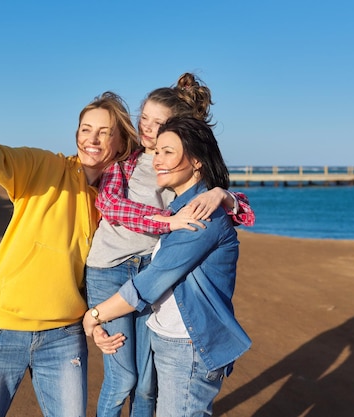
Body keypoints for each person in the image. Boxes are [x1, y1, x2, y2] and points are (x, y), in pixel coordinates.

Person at [0, 92, 139, 417]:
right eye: (86, 129)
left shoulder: (117, 200)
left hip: (63, 336)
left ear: (119, 142)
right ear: (76, 134)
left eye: (104, 132)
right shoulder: (43, 167)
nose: (93, 139)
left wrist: (219, 194)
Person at [85, 73, 254, 417]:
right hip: (111, 269)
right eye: (143, 118)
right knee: (124, 378)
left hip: (149, 270)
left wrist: (225, 195)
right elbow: (112, 205)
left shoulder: (190, 186)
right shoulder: (127, 160)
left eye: (158, 124)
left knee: (147, 384)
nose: (147, 129)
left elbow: (231, 212)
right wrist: (165, 220)